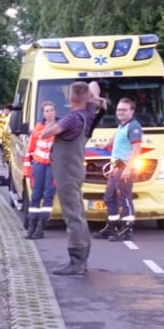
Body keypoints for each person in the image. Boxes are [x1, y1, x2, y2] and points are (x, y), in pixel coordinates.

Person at [50, 81, 103, 276]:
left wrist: (47, 125)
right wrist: (94, 99)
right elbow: (94, 84)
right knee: (78, 213)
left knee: (72, 214)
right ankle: (82, 255)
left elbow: (48, 132)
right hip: (76, 171)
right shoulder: (88, 113)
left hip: (66, 171)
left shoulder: (71, 119)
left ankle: (76, 260)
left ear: (71, 99)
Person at [96, 97, 143, 242]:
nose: (120, 112)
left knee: (124, 198)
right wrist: (104, 145)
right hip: (118, 165)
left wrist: (128, 169)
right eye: (118, 109)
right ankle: (112, 227)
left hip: (125, 165)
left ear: (132, 111)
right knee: (109, 197)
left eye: (124, 110)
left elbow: (137, 149)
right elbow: (116, 136)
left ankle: (127, 229)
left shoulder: (134, 127)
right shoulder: (123, 125)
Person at [24, 101, 59, 239]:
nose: (49, 113)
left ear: (55, 112)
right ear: (43, 113)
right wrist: (27, 168)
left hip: (52, 166)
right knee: (36, 195)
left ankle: (41, 226)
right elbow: (30, 150)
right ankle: (31, 225)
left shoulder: (59, 129)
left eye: (51, 110)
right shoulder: (37, 129)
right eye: (47, 111)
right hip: (38, 165)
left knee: (48, 196)